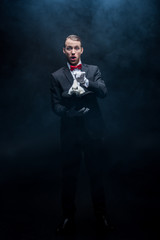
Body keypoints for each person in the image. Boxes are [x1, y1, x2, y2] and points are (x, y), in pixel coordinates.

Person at [50, 35, 111, 234]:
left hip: (93, 132)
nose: (73, 52)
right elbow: (56, 106)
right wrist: (69, 113)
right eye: (69, 48)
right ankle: (68, 217)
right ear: (64, 50)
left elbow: (103, 92)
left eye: (76, 48)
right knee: (69, 177)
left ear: (82, 50)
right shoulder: (56, 76)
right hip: (70, 133)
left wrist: (88, 82)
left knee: (96, 176)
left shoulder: (93, 70)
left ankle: (101, 216)